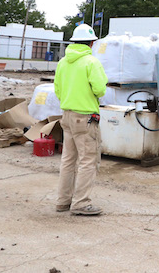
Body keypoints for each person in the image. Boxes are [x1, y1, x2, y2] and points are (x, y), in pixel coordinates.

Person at [54, 23, 108, 216]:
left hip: (67, 116)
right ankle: (81, 203)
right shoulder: (91, 62)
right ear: (91, 43)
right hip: (85, 118)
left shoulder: (62, 62)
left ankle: (63, 201)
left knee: (68, 160)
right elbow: (100, 89)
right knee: (88, 161)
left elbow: (58, 90)